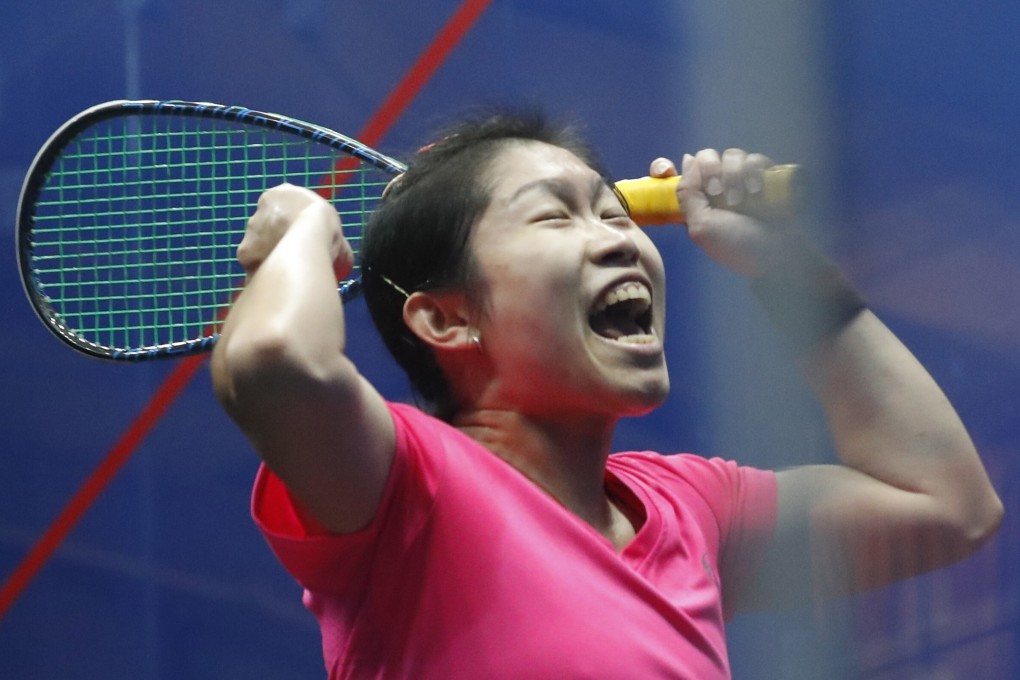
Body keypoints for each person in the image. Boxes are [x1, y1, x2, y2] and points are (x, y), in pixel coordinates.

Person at [211, 111, 1003, 679]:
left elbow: (948, 507)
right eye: (556, 216)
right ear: (446, 320)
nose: (620, 236)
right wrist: (305, 230)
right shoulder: (405, 487)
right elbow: (275, 357)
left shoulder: (690, 509)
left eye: (613, 210)